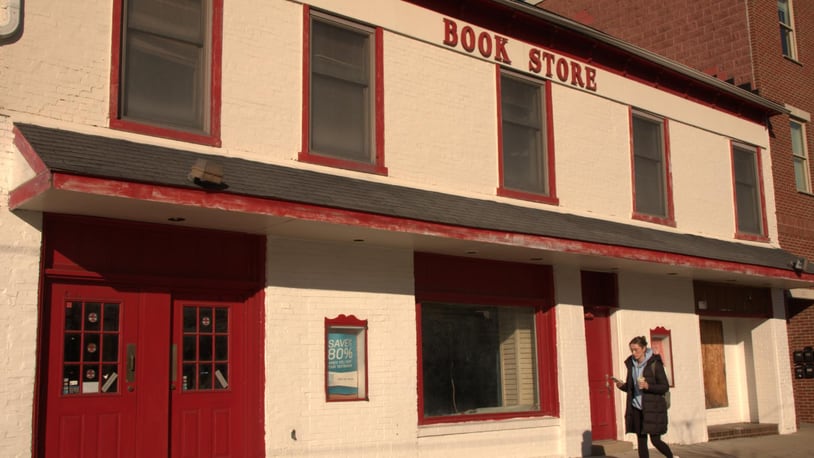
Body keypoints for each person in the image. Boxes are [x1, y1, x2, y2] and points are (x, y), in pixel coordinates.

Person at [613, 336, 676, 458]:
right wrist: (622, 386)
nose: (633, 353)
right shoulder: (631, 364)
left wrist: (648, 386)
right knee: (641, 441)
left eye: (636, 350)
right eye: (631, 350)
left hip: (652, 408)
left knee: (656, 440)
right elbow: (632, 387)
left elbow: (664, 387)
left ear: (643, 348)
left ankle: (671, 456)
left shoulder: (654, 364)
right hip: (637, 408)